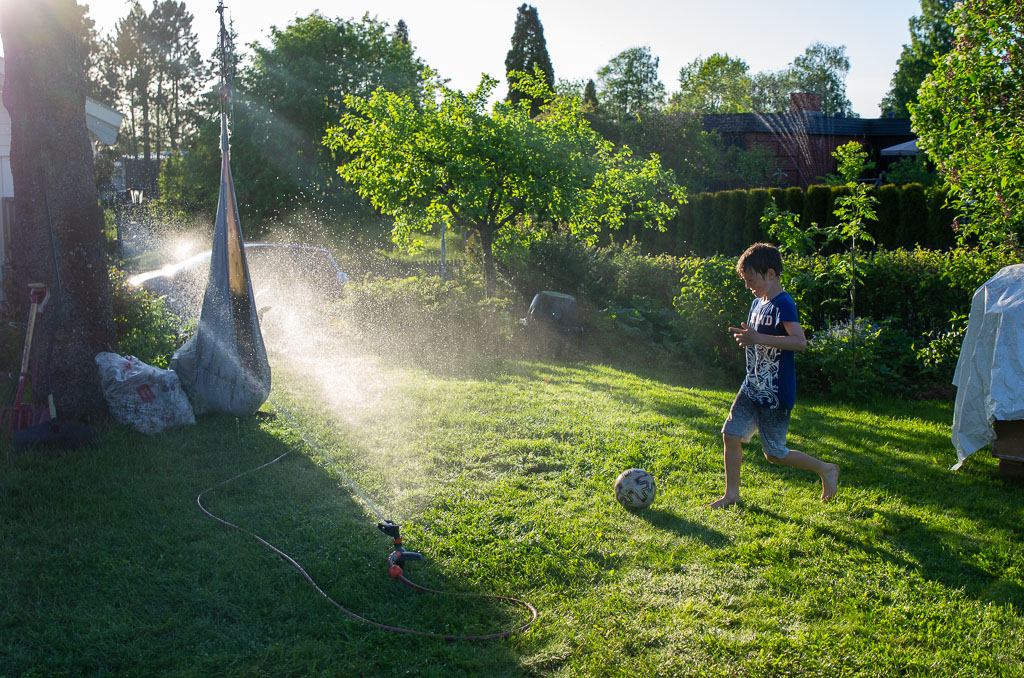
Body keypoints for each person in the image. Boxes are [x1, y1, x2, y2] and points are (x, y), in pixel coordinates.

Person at [709, 243, 839, 509]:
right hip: (752, 385)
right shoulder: (758, 304)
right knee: (731, 435)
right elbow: (761, 339)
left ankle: (826, 469)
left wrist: (757, 337)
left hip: (774, 393)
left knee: (775, 454)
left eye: (751, 280)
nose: (748, 286)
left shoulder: (784, 303)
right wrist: (750, 337)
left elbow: (799, 342)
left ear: (770, 274)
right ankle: (731, 495)